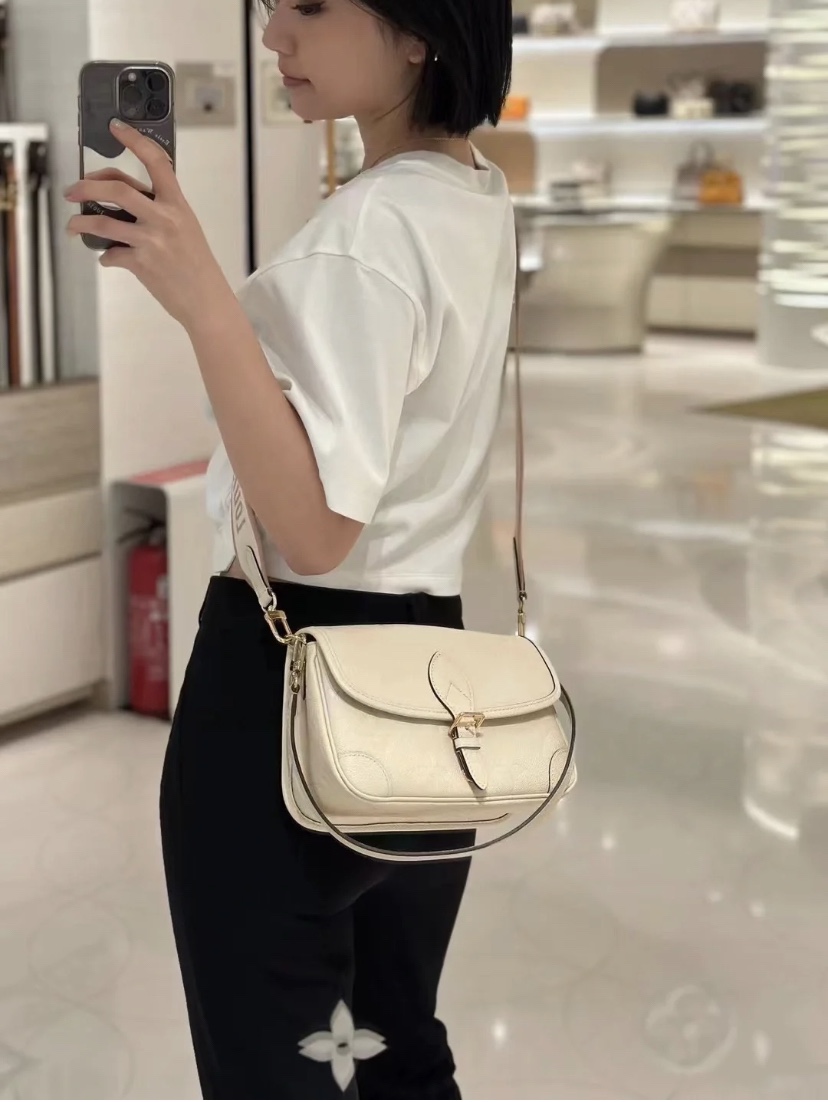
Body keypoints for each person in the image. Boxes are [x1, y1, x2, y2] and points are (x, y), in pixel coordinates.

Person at [66, 0, 515, 1095]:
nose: (275, 38)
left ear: (421, 30)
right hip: (434, 676)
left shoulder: (370, 230)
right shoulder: (473, 193)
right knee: (397, 1043)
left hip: (292, 679)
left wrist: (203, 299)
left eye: (311, 8)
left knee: (273, 1063)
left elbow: (312, 529)